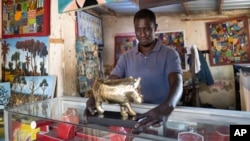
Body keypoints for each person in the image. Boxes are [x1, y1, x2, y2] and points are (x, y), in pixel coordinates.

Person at [84, 9, 183, 129]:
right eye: (138, 30)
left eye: (147, 29)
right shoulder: (126, 57)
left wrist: (167, 107)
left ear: (155, 27)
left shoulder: (169, 54)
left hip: (159, 117)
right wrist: (94, 97)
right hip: (134, 116)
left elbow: (177, 83)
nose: (142, 34)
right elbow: (111, 81)